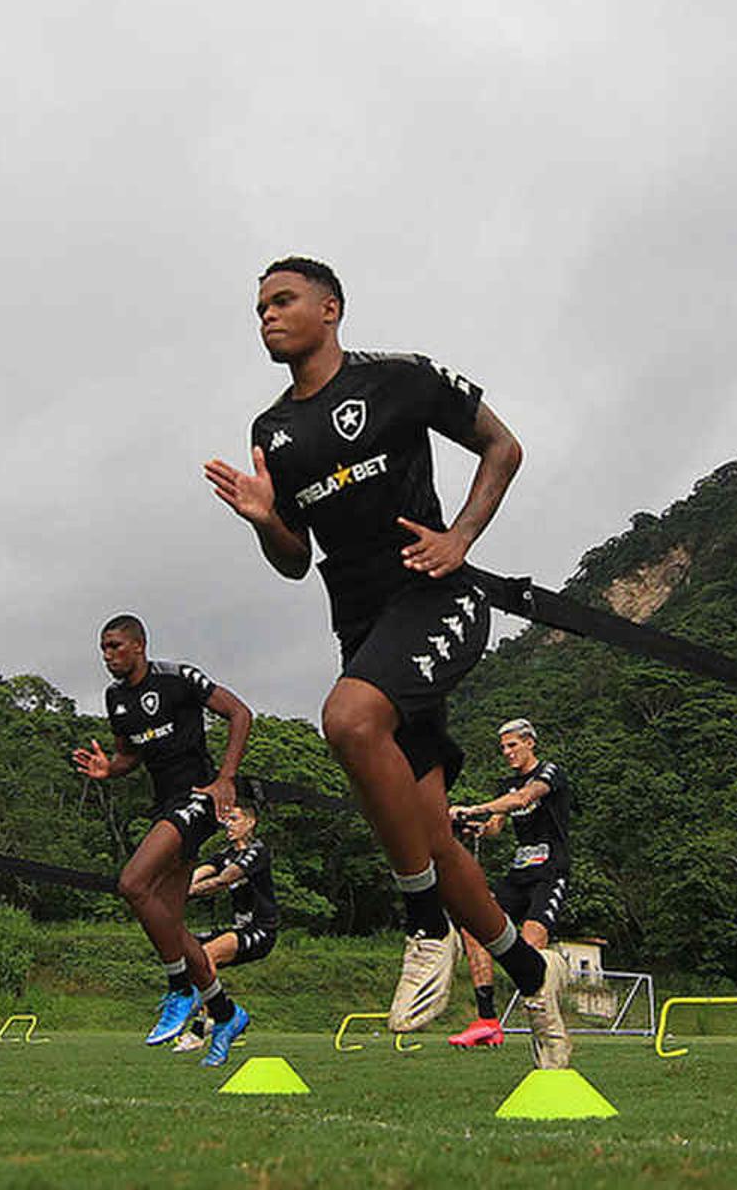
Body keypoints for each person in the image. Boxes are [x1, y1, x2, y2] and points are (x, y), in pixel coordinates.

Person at [204, 256, 568, 1065]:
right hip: (364, 630)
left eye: (283, 299)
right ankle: (532, 977)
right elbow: (295, 561)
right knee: (433, 835)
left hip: (439, 596)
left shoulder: (400, 378)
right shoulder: (274, 433)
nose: (266, 313)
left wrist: (461, 537)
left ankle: (424, 923)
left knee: (346, 717)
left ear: (330, 308)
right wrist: (267, 519)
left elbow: (502, 446)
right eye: (259, 304)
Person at [72, 615, 256, 1067]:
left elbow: (240, 714)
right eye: (103, 648)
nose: (107, 655)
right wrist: (108, 770)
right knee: (168, 926)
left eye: (115, 646)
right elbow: (129, 756)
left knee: (132, 884)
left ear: (138, 645)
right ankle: (225, 1013)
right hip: (166, 805)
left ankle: (178, 987)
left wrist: (225, 779)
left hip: (198, 799)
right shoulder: (116, 699)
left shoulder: (178, 678)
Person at [447, 719, 572, 1047]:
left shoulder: (549, 773)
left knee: (529, 948)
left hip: (549, 874)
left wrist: (474, 807)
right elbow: (496, 825)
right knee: (473, 925)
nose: (507, 752)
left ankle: (546, 1027)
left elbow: (523, 799)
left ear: (530, 742)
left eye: (512, 745)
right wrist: (476, 826)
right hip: (519, 874)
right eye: (503, 747)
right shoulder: (508, 785)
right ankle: (487, 1021)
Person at [172, 805, 278, 1053]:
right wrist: (175, 889)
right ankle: (219, 1014)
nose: (228, 824)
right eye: (226, 820)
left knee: (205, 955)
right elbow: (201, 873)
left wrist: (190, 892)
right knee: (187, 950)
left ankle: (201, 1028)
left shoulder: (257, 853)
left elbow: (225, 879)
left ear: (251, 822)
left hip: (261, 931)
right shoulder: (225, 854)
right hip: (239, 928)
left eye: (234, 819)